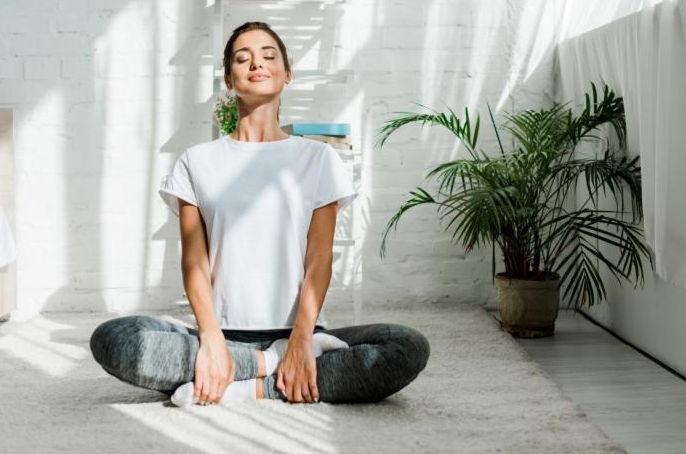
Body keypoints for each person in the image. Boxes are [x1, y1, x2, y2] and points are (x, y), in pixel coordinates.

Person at [89, 21, 431, 406]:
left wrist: (301, 339)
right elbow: (194, 264)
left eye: (269, 56)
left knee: (406, 346)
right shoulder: (196, 162)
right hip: (222, 332)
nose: (257, 63)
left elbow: (319, 261)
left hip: (301, 330)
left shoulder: (318, 159)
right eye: (242, 58)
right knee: (114, 339)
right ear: (228, 80)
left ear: (287, 75)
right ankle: (270, 365)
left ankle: (247, 383)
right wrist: (212, 340)